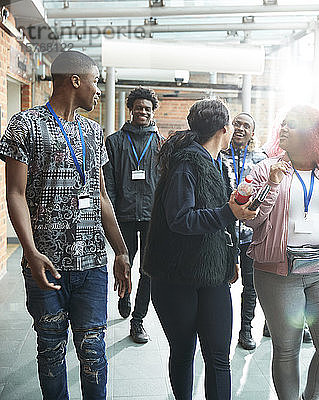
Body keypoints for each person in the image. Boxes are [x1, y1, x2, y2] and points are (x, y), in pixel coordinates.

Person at [0, 51, 131, 399]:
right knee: (51, 350)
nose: (99, 89)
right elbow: (14, 193)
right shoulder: (24, 125)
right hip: (46, 265)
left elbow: (100, 195)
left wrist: (120, 250)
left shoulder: (93, 130)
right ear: (76, 81)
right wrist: (30, 251)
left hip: (91, 264)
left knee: (93, 351)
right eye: (96, 81)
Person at [142, 99, 258, 400]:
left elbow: (222, 215)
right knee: (183, 351)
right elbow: (181, 219)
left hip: (211, 274)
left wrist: (230, 258)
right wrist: (228, 213)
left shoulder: (212, 160)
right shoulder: (187, 163)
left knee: (219, 357)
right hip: (176, 276)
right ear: (224, 129)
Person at [245, 105, 319, 400]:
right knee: (286, 347)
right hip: (278, 273)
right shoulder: (264, 169)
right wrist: (272, 184)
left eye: (293, 125)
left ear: (314, 135)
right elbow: (251, 218)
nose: (283, 128)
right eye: (283, 123)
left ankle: (310, 397)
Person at [103, 86, 163, 344]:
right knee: (124, 264)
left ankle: (138, 321)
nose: (143, 112)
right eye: (139, 107)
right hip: (124, 217)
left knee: (148, 271)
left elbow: (165, 182)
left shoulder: (161, 143)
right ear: (131, 109)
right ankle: (124, 294)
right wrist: (112, 216)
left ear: (152, 112)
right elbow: (109, 183)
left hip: (152, 217)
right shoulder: (115, 142)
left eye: (147, 109)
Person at [221, 112, 267, 350]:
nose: (240, 128)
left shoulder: (261, 160)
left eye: (245, 126)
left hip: (251, 235)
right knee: (222, 283)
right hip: (224, 233)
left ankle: (246, 329)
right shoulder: (219, 156)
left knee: (251, 285)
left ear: (252, 133)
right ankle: (220, 329)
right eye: (236, 124)